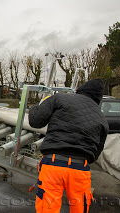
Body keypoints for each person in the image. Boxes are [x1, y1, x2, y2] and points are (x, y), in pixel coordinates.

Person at [28, 79, 109, 213]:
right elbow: (96, 152)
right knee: (79, 208)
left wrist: (35, 107)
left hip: (53, 165)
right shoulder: (101, 118)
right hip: (80, 169)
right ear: (99, 98)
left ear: (81, 89)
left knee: (48, 208)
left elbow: (35, 121)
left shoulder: (60, 98)